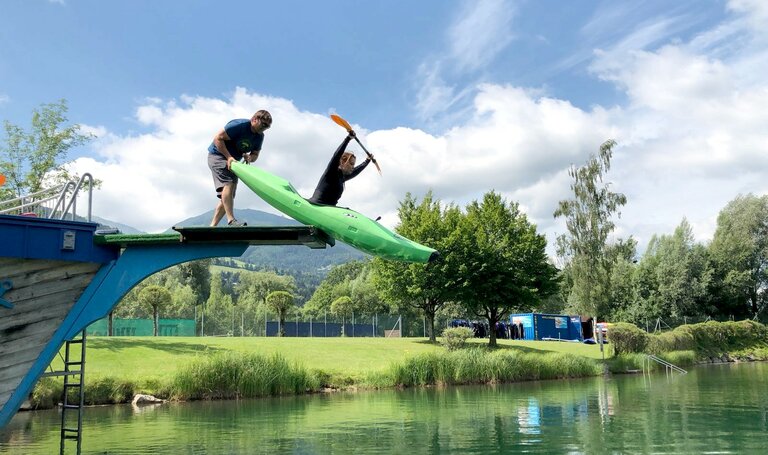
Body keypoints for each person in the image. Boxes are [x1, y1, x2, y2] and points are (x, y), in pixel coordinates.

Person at [207, 110, 272, 227]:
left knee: (229, 195)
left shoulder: (259, 137)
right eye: (263, 124)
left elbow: (255, 154)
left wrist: (249, 158)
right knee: (229, 184)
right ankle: (231, 220)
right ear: (254, 120)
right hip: (218, 156)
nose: (265, 128)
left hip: (234, 162)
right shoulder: (239, 125)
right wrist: (228, 157)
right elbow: (218, 138)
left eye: (267, 126)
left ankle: (212, 226)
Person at [308, 131, 372, 206]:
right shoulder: (332, 171)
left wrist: (367, 161)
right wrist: (347, 139)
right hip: (316, 204)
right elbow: (336, 156)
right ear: (342, 162)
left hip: (329, 208)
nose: (353, 167)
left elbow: (355, 171)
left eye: (353, 164)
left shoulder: (342, 177)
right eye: (351, 164)